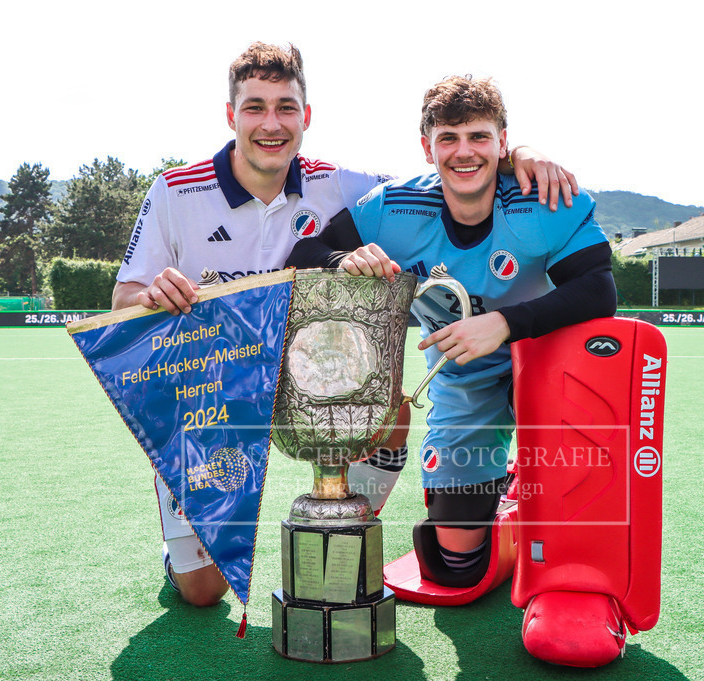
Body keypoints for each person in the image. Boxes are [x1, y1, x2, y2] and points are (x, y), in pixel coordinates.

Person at [113, 43, 581, 606]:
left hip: (307, 378)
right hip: (215, 392)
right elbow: (124, 301)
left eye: (286, 107)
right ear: (230, 114)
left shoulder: (340, 185)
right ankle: (183, 546)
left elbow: (447, 169)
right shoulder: (175, 191)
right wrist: (151, 294)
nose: (271, 123)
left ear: (305, 116)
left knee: (390, 413)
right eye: (255, 107)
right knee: (202, 593)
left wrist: (518, 153)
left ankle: (344, 526)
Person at [285, 74, 617, 587]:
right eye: (449, 138)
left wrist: (506, 324)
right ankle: (504, 492)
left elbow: (599, 292)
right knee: (456, 567)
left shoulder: (543, 197)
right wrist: (344, 257)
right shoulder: (393, 208)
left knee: (577, 460)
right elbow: (304, 255)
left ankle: (547, 500)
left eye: (479, 137)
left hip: (547, 365)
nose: (465, 152)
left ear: (503, 143)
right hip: (465, 379)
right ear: (427, 148)